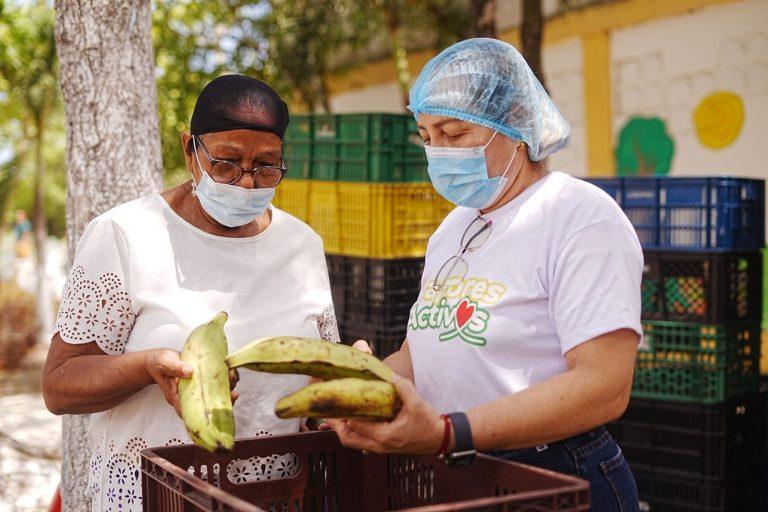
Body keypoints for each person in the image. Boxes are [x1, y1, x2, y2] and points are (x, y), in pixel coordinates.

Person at [327, 38, 643, 511]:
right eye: (428, 137)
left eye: (454, 134)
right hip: (460, 465)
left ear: (514, 126)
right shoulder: (455, 226)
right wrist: (363, 383)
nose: (438, 152)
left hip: (552, 473)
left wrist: (448, 432)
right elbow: (423, 352)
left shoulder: (578, 216)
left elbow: (604, 386)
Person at [41, 75, 339, 512]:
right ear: (190, 150)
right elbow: (59, 385)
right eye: (227, 163)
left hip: (270, 497)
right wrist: (147, 367)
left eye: (267, 166)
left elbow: (315, 386)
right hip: (151, 498)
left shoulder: (302, 246)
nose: (248, 184)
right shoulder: (126, 235)